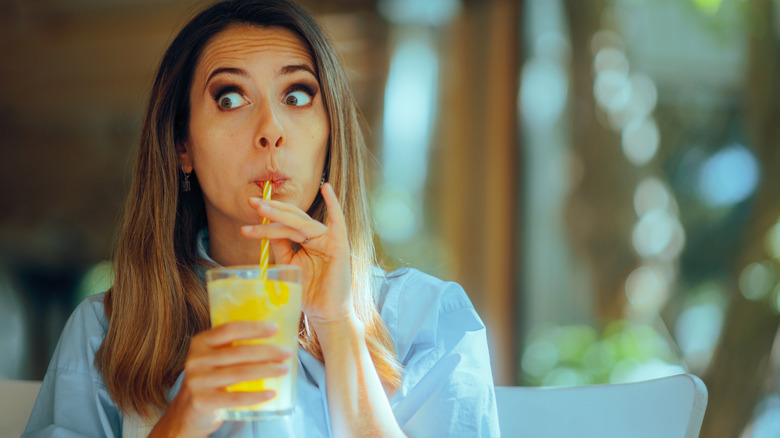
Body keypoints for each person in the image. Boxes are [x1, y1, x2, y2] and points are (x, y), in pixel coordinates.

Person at [23, 0, 499, 436]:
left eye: (296, 96)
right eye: (230, 98)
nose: (271, 130)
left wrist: (338, 327)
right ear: (181, 145)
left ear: (330, 135)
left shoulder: (430, 321)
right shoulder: (106, 332)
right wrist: (179, 423)